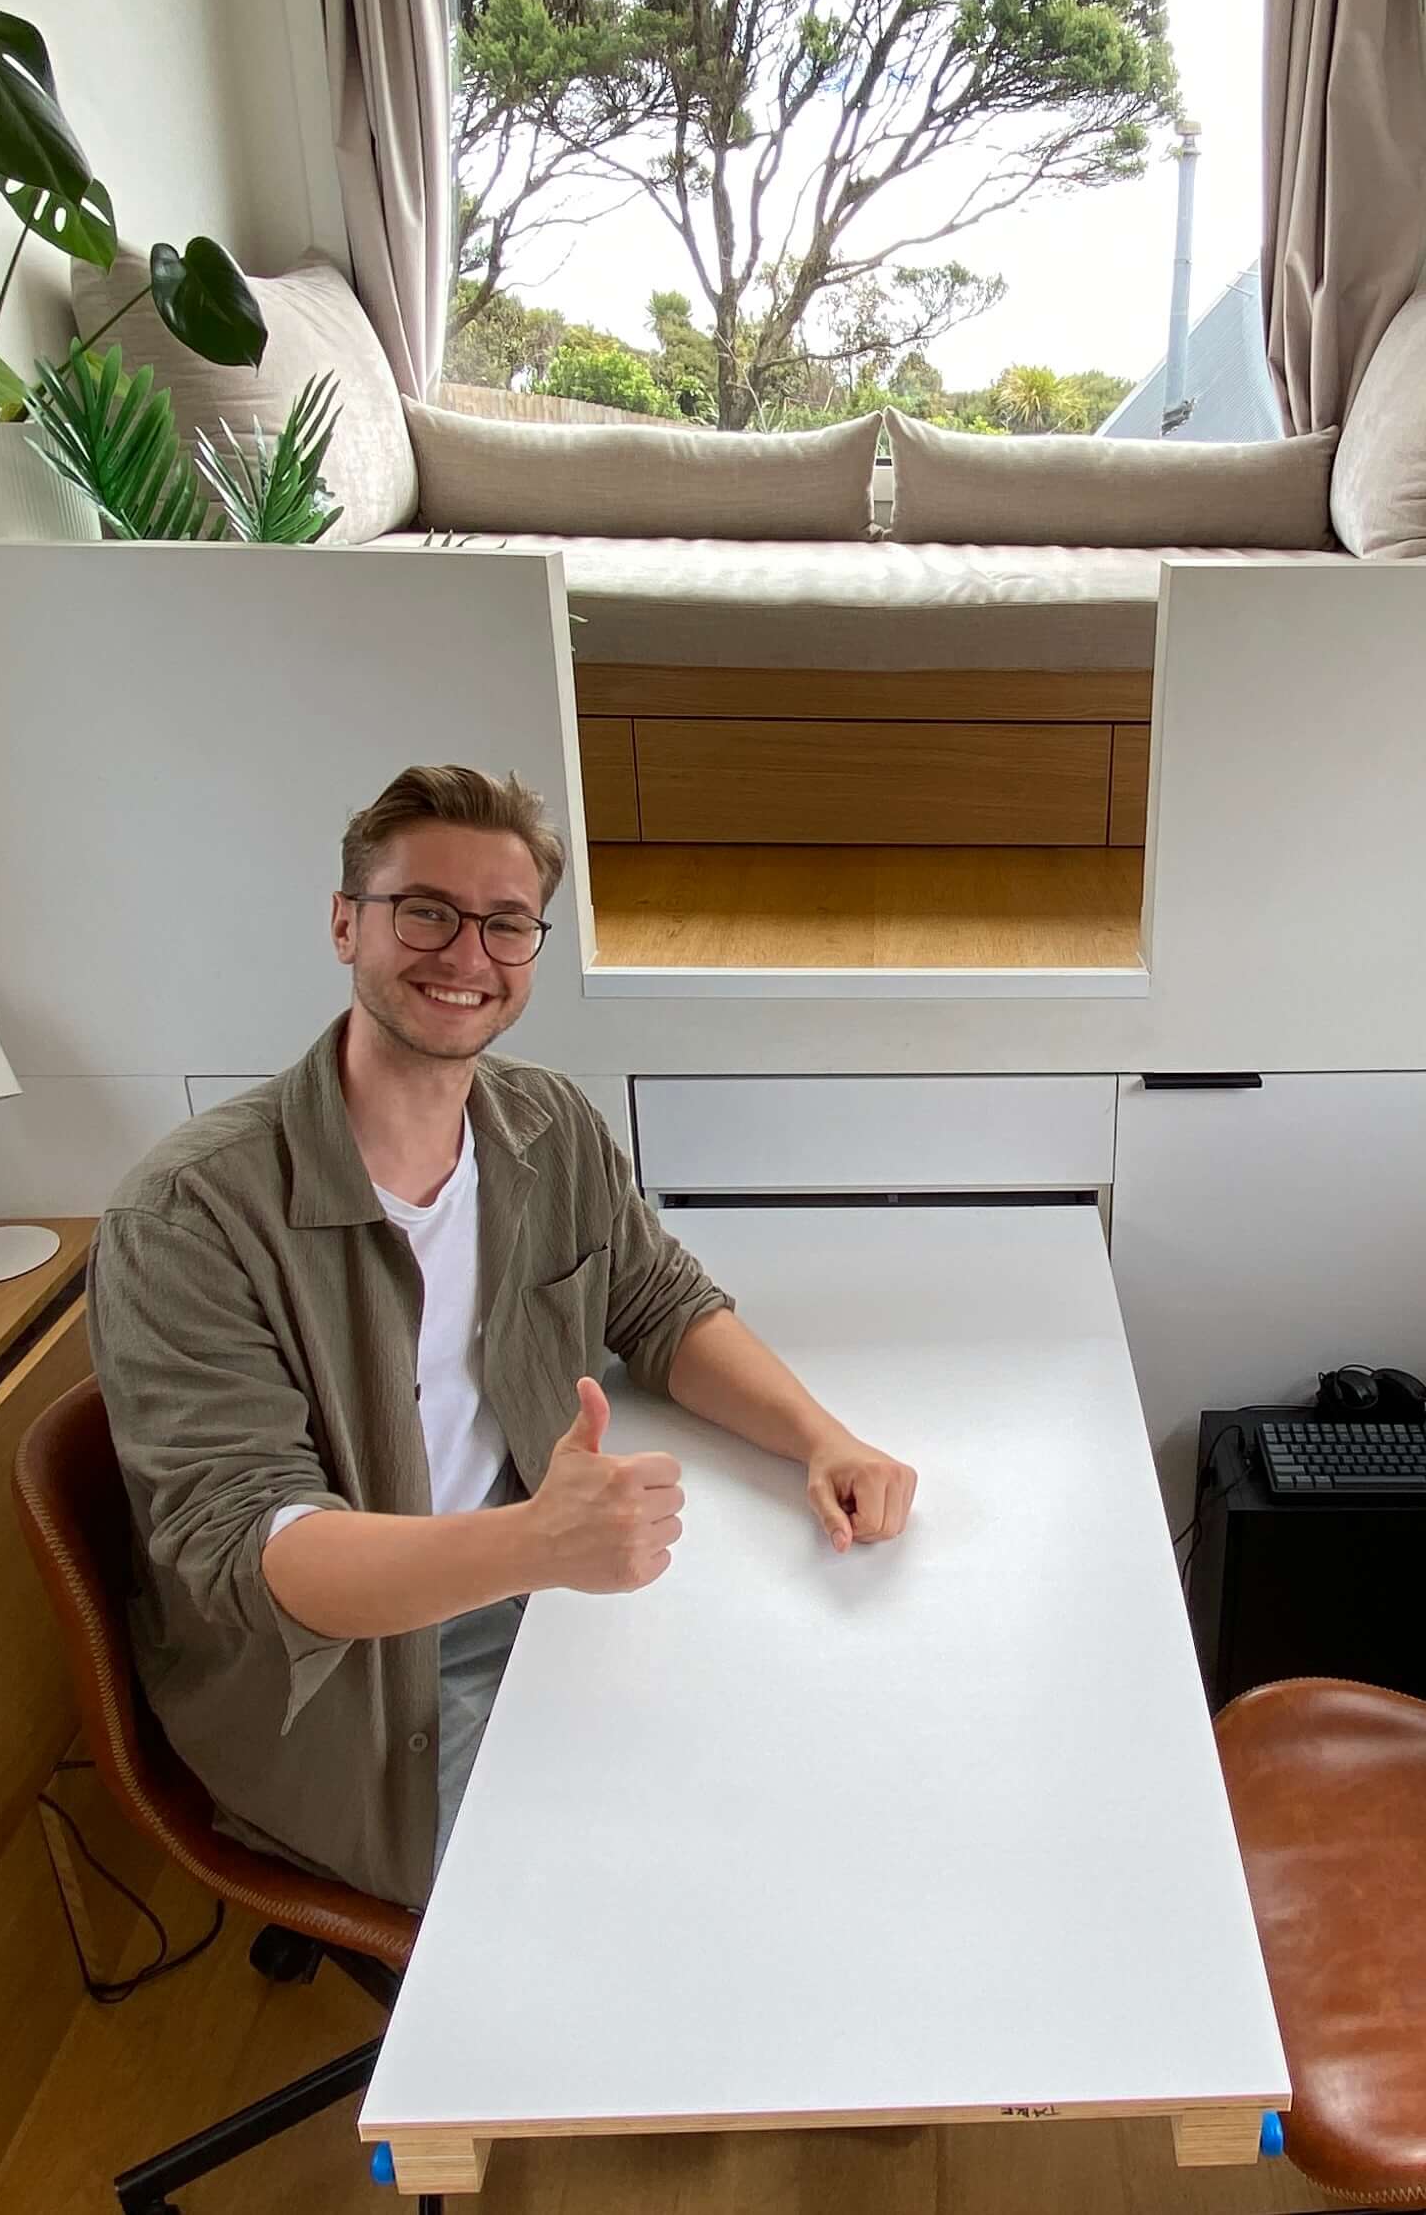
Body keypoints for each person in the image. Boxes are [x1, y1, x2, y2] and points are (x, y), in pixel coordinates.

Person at [92, 765, 918, 1906]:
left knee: (820, 1776)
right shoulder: (188, 1217)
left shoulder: (545, 1122)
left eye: (506, 924)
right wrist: (536, 1545)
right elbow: (251, 1553)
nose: (467, 955)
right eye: (425, 911)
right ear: (345, 923)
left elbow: (658, 1304)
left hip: (546, 1597)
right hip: (359, 1693)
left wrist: (823, 1440)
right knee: (640, 1910)